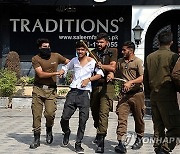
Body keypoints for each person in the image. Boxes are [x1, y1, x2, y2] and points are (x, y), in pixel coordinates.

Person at [59, 40, 104, 154]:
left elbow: (100, 74)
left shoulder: (92, 61)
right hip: (73, 91)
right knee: (64, 118)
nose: (80, 51)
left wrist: (88, 79)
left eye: (82, 49)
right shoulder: (74, 61)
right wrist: (62, 71)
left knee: (82, 120)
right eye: (78, 49)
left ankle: (78, 143)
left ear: (86, 50)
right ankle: (67, 132)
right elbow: (65, 68)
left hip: (85, 94)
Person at [144, 30, 180, 154]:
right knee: (175, 127)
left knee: (158, 126)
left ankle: (158, 148)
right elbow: (176, 76)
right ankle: (165, 149)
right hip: (167, 95)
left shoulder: (149, 57)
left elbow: (146, 77)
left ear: (158, 41)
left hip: (154, 96)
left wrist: (149, 94)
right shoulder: (173, 56)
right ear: (171, 42)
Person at [30, 38, 69, 149]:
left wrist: (64, 70)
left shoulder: (56, 56)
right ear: (40, 48)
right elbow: (41, 74)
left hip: (51, 90)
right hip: (38, 89)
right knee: (36, 114)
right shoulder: (35, 58)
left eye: (48, 46)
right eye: (44, 47)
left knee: (50, 113)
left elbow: (69, 62)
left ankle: (49, 129)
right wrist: (57, 72)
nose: (47, 49)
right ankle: (36, 138)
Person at [114, 41, 145, 153]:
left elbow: (142, 77)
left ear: (130, 51)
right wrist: (111, 75)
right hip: (124, 95)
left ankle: (140, 137)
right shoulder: (120, 62)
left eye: (124, 50)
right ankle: (121, 143)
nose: (122, 52)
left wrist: (131, 82)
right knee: (121, 118)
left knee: (139, 118)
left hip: (137, 94)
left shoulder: (138, 62)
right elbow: (116, 72)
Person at [90, 33, 117, 153]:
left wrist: (104, 67)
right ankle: (98, 128)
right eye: (97, 42)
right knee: (95, 112)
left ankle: (101, 140)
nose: (99, 44)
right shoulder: (92, 53)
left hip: (107, 86)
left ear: (107, 43)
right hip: (95, 86)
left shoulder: (112, 52)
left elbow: (112, 68)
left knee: (103, 113)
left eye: (101, 42)